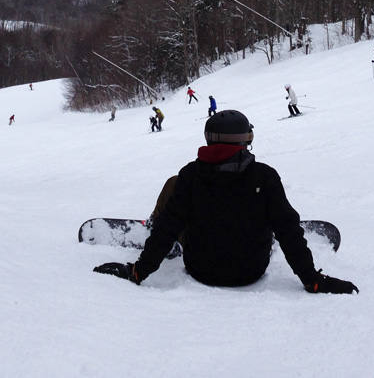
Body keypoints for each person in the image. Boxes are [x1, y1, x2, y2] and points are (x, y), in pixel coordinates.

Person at [93, 109, 357, 294]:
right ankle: (261, 231)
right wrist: (312, 280)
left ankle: (155, 228)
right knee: (271, 214)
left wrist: (138, 271)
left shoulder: (190, 175)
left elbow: (169, 225)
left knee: (173, 187)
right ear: (245, 140)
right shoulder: (265, 176)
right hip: (252, 270)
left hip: (201, 268)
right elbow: (288, 230)